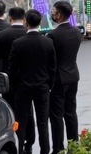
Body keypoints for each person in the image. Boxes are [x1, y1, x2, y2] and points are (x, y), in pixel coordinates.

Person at [9, 9, 57, 154]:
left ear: (26, 22)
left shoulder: (17, 43)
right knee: (43, 123)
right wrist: (49, 85)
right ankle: (45, 151)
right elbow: (52, 67)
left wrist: (15, 87)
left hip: (23, 88)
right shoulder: (48, 42)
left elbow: (12, 69)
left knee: (21, 123)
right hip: (42, 87)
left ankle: (20, 149)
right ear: (39, 22)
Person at [0, 7, 36, 154]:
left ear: (10, 17)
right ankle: (29, 141)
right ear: (24, 19)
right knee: (28, 112)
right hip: (28, 78)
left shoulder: (3, 34)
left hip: (9, 79)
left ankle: (16, 140)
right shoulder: (27, 33)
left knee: (11, 110)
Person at [47, 1, 82, 153]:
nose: (52, 13)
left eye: (54, 11)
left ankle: (58, 148)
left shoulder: (52, 35)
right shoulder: (76, 32)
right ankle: (74, 146)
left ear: (59, 15)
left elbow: (50, 60)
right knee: (71, 112)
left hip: (58, 79)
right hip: (73, 75)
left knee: (56, 115)